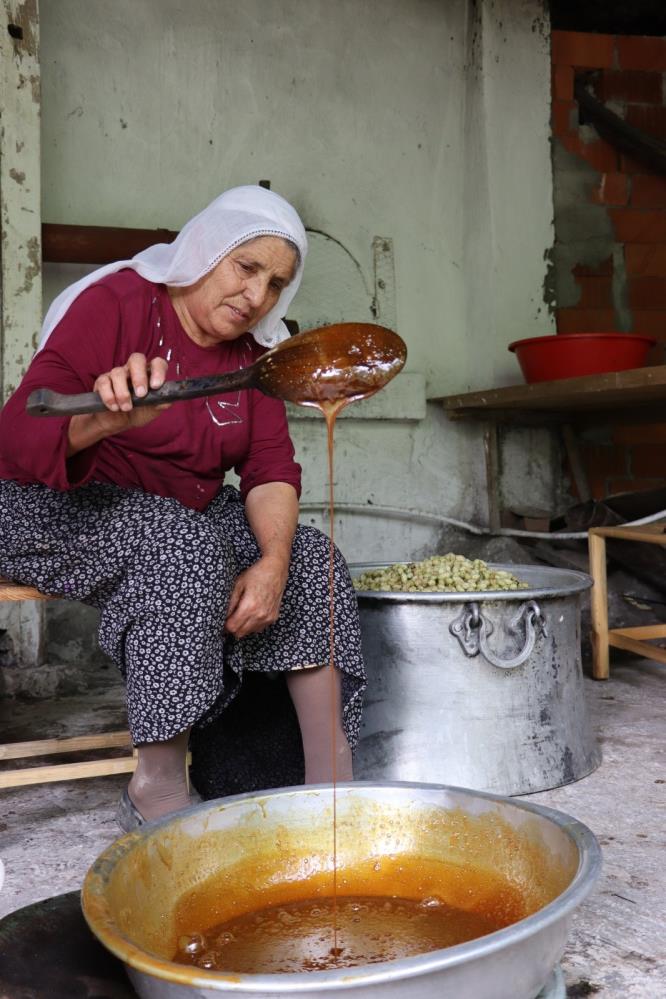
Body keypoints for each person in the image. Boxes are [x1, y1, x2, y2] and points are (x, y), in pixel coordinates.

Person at [0, 184, 366, 830]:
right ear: (203, 250)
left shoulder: (255, 355)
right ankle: (159, 791)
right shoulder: (117, 303)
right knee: (183, 544)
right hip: (43, 501)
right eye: (245, 267)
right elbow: (19, 436)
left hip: (170, 507)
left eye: (276, 283)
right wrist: (105, 420)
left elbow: (270, 468)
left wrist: (274, 561)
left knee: (310, 556)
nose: (257, 295)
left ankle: (328, 792)